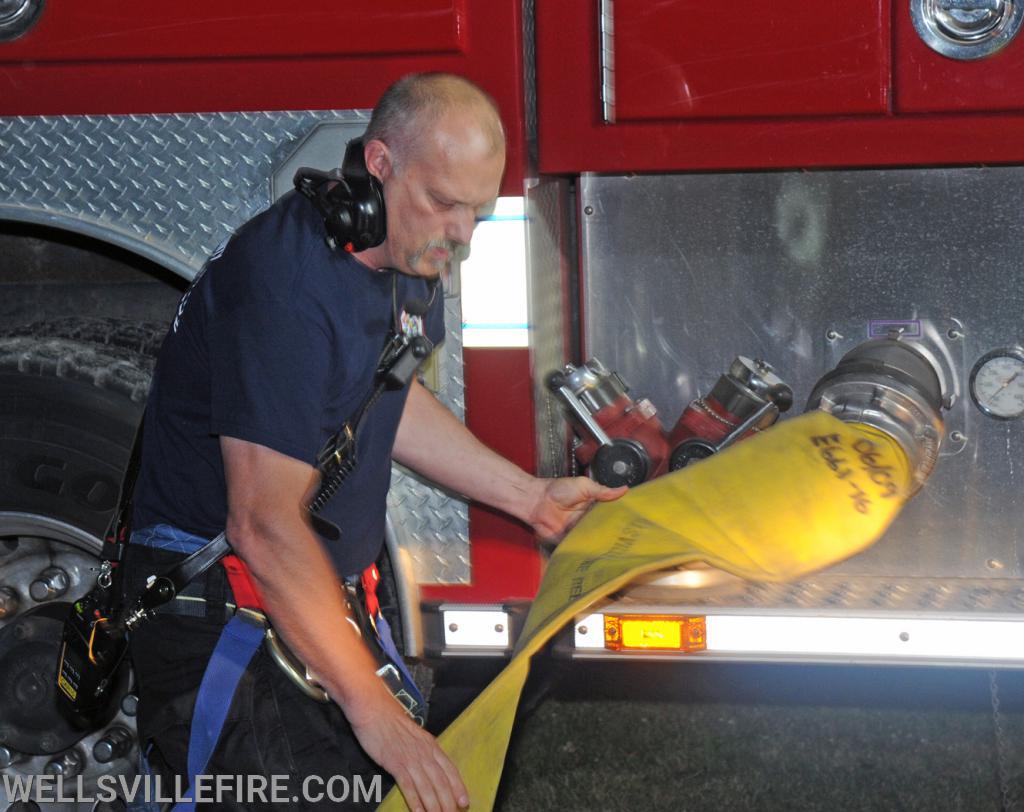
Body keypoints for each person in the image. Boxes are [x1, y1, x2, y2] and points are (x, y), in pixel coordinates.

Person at [124, 72, 625, 811]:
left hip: (312, 605)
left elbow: (382, 395)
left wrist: (530, 497)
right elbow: (261, 522)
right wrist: (375, 713)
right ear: (379, 165)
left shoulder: (408, 257)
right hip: (224, 616)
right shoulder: (288, 288)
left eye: (478, 211)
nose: (461, 233)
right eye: (443, 203)